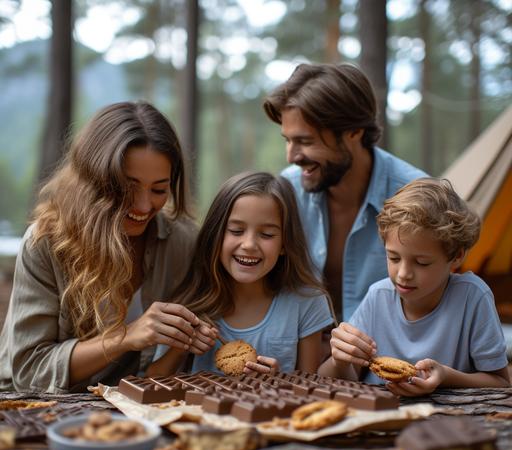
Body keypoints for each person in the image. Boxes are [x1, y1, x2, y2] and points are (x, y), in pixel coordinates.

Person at [0, 101, 216, 393]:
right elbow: (29, 370)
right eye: (127, 187)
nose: (143, 205)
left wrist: (193, 334)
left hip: (134, 409)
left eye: (159, 189)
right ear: (93, 180)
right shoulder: (46, 243)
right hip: (37, 410)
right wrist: (126, 337)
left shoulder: (184, 242)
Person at [263, 62, 428, 325]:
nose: (292, 156)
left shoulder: (418, 197)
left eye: (306, 141)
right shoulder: (287, 191)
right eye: (287, 140)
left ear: (353, 131)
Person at [319, 177, 510, 395]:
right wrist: (340, 359)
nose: (403, 274)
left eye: (421, 263)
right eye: (393, 258)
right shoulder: (378, 296)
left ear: (456, 256)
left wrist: (445, 377)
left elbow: (501, 382)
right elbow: (337, 379)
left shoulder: (472, 296)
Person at [148, 171, 336, 376]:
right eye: (236, 231)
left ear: (285, 243)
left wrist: (280, 381)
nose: (249, 245)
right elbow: (152, 382)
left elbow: (309, 385)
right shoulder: (190, 303)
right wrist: (182, 344)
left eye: (267, 234)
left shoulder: (307, 302)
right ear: (215, 235)